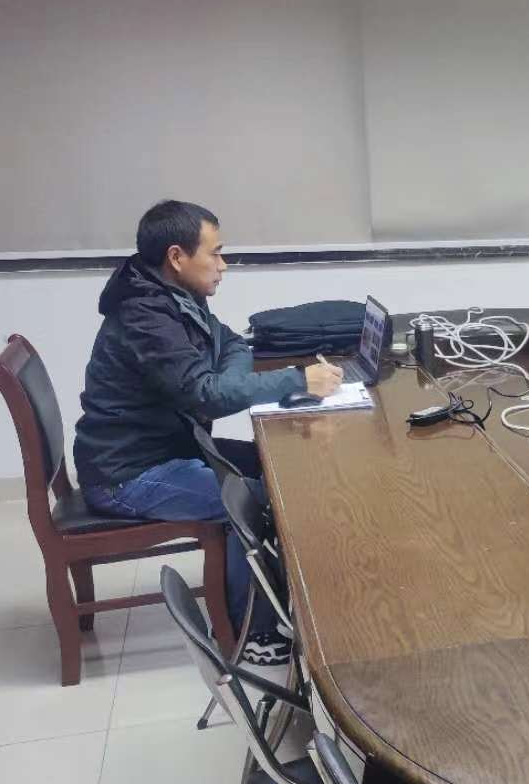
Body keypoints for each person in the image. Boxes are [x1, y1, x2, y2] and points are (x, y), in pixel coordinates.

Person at [73, 200, 343, 664]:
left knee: (280, 469)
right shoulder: (146, 317)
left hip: (167, 448)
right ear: (177, 257)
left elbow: (231, 345)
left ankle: (290, 594)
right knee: (257, 499)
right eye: (215, 253)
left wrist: (224, 381)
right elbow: (207, 395)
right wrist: (297, 380)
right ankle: (251, 632)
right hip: (128, 474)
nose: (223, 264)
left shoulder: (171, 293)